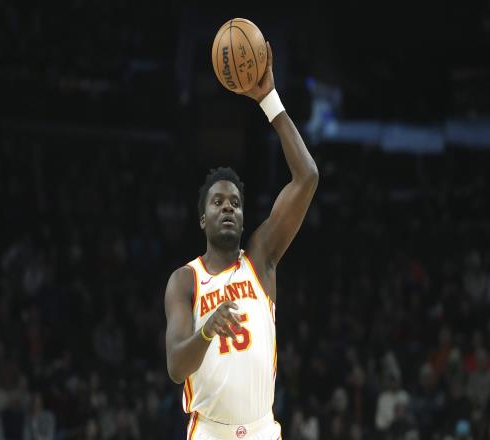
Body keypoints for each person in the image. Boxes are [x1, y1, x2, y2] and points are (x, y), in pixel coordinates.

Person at [164, 41, 319, 440]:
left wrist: (269, 100)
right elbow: (176, 367)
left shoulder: (261, 258)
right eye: (218, 202)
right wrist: (207, 329)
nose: (228, 207)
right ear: (203, 219)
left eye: (235, 202)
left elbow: (307, 177)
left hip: (263, 430)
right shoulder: (185, 280)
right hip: (209, 432)